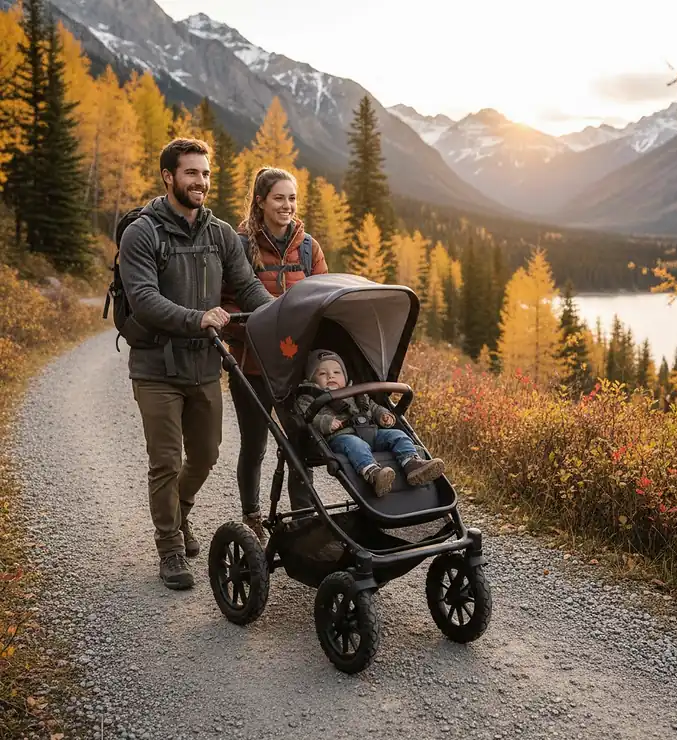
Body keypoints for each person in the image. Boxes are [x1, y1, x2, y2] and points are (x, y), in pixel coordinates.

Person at [119, 138, 273, 591]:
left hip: (204, 364)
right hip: (155, 366)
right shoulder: (142, 233)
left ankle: (180, 512)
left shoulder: (221, 234)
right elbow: (143, 300)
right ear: (169, 177)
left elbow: (247, 288)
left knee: (206, 455)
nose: (201, 182)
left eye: (206, 174)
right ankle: (168, 547)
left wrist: (283, 317)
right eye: (192, 173)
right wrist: (198, 318)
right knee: (165, 460)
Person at [221, 167, 328, 544]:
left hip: (296, 368)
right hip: (251, 366)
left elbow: (322, 301)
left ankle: (303, 523)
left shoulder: (307, 248)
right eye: (279, 198)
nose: (287, 206)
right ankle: (252, 517)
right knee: (255, 444)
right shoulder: (238, 245)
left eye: (292, 198)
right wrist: (253, 329)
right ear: (261, 201)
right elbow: (226, 305)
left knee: (300, 440)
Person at [295, 350, 446, 496]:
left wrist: (383, 415)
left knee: (397, 435)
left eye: (336, 372)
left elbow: (373, 407)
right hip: (342, 437)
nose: (330, 376)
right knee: (356, 445)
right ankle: (374, 475)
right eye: (322, 373)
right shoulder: (309, 397)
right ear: (311, 379)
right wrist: (327, 422)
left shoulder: (357, 392)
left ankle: (412, 464)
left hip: (372, 433)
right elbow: (308, 416)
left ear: (345, 375)